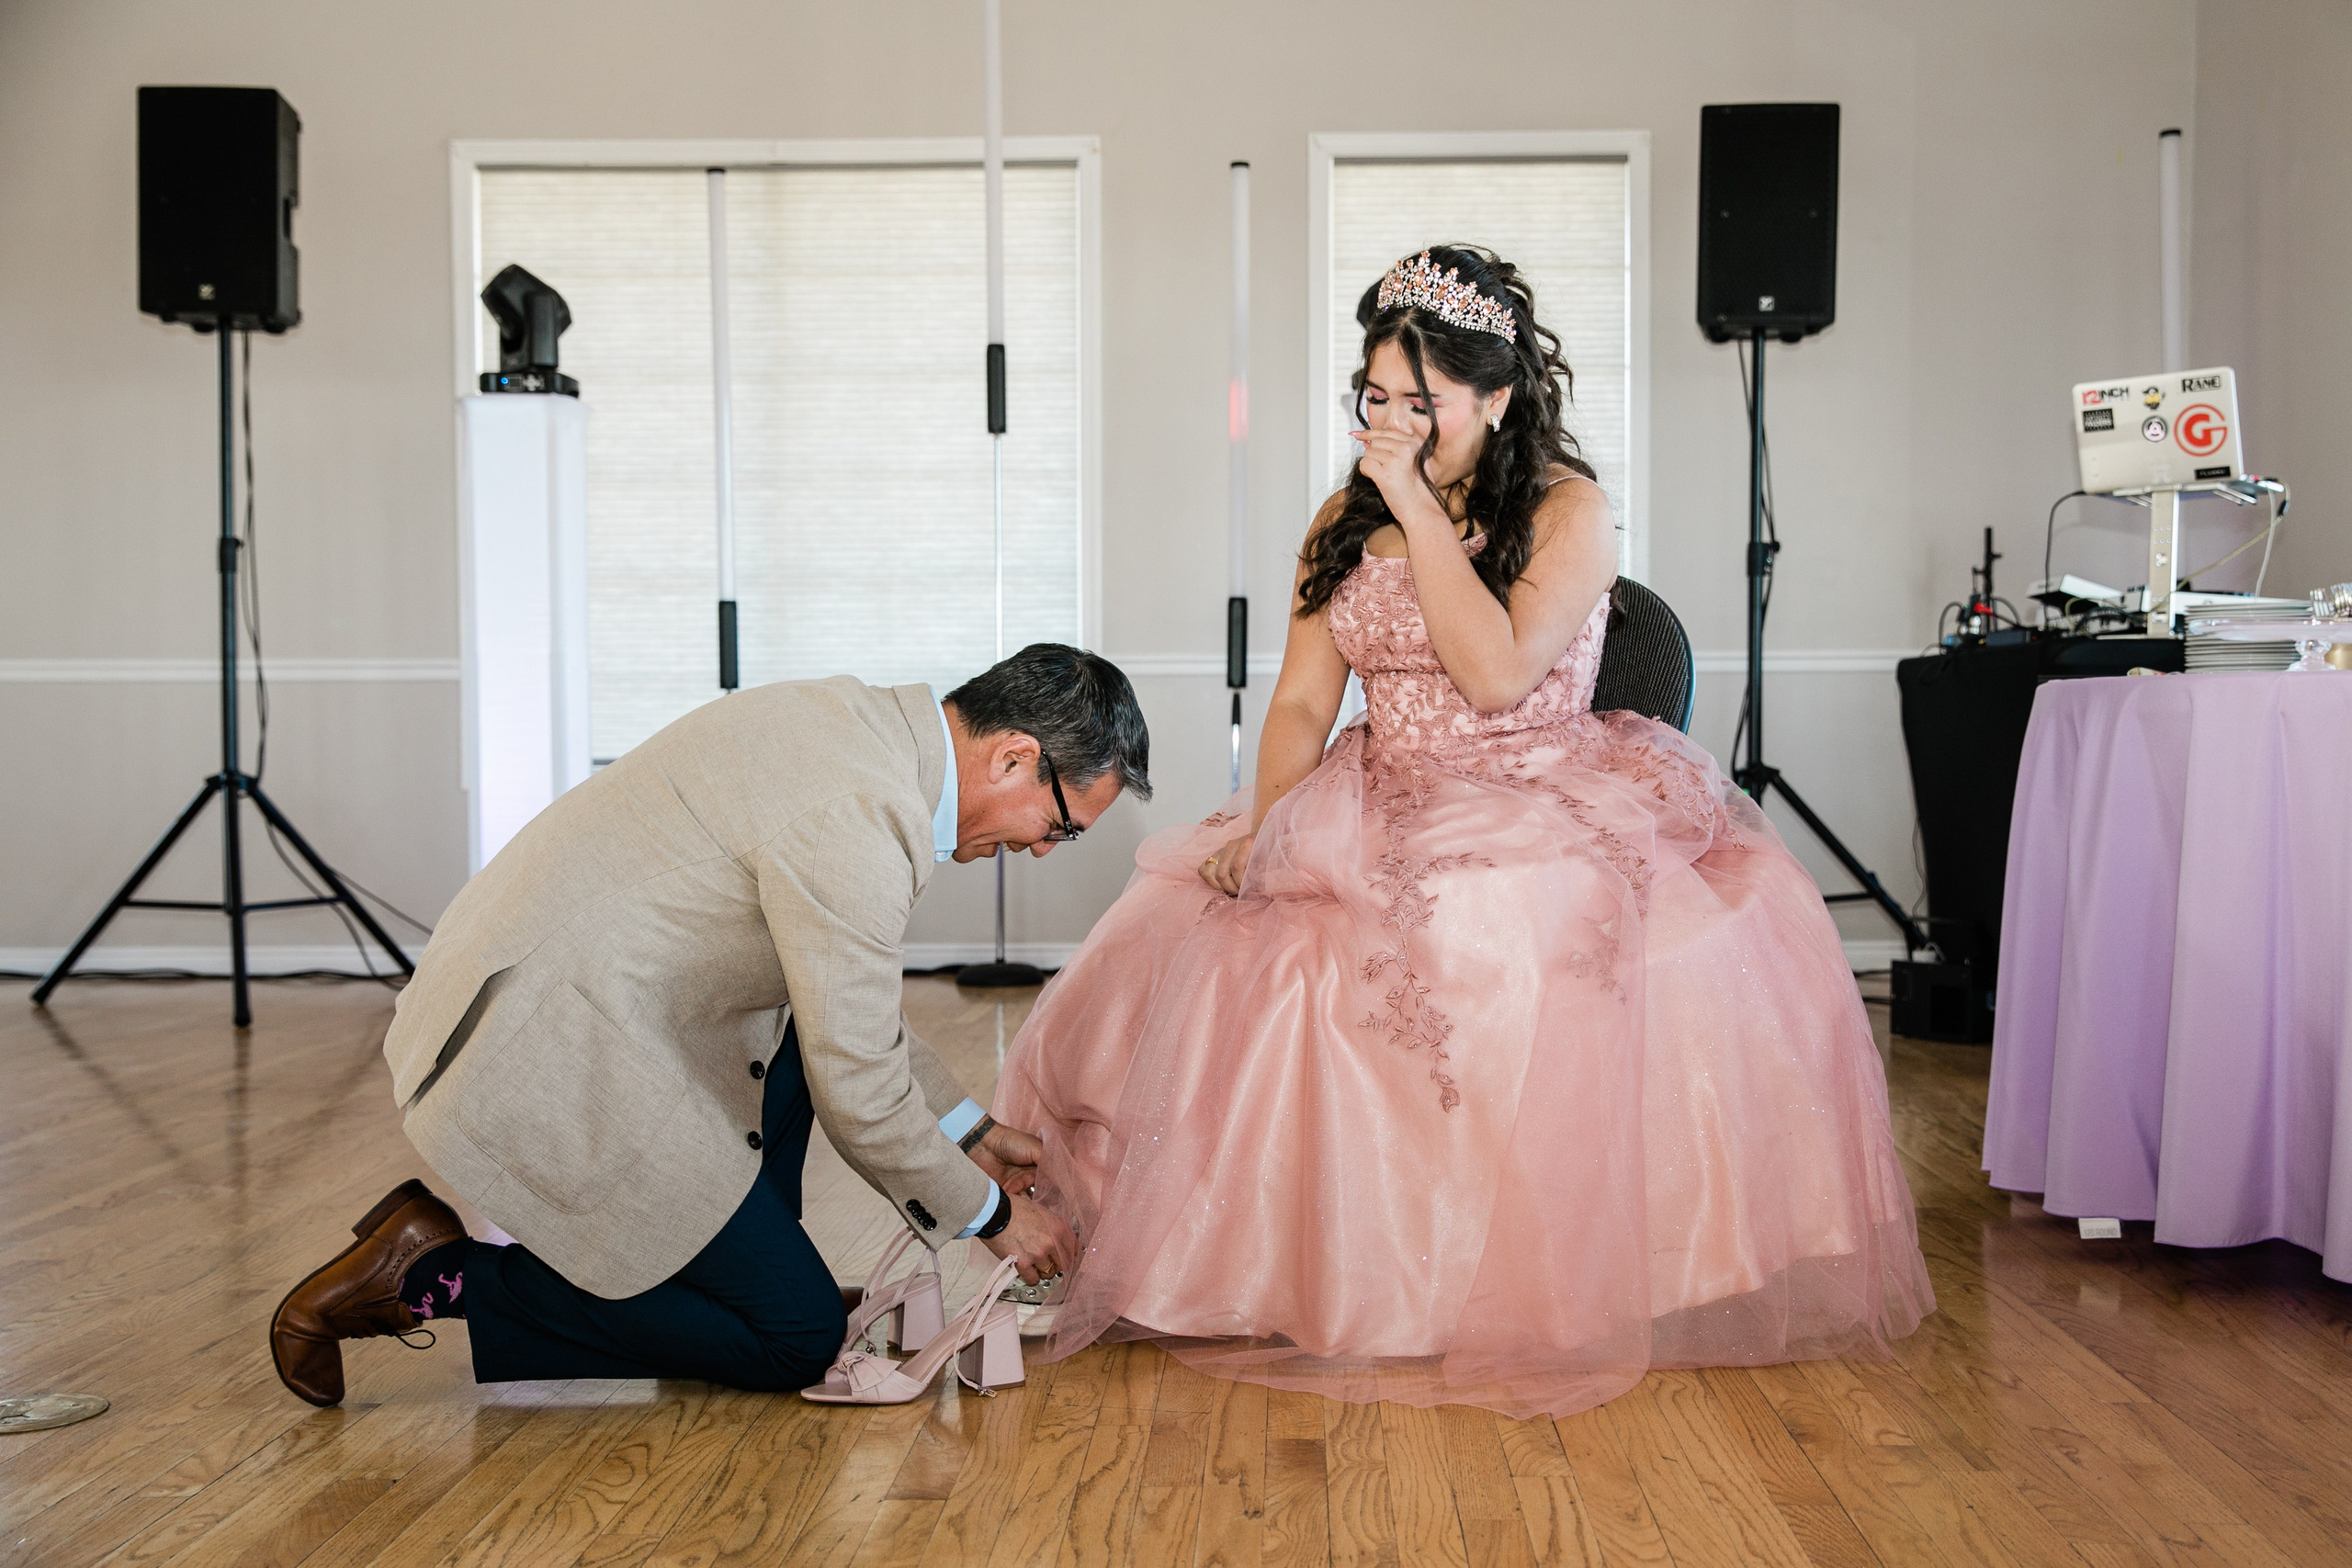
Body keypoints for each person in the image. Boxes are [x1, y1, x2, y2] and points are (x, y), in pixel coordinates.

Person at [993, 247, 1935, 1420]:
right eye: (1374, 400)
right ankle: (1258, 1260)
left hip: (1534, 785)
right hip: (1374, 781)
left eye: (1420, 402)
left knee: (1476, 932)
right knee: (1218, 930)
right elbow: (1299, 701)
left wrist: (1415, 512)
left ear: (1494, 398)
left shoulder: (1570, 511)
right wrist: (1271, 825)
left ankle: (1496, 1284)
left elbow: (1492, 675)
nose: (1390, 426)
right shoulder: (1343, 517)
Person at [269, 645, 1149, 1407]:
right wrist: (990, 1214)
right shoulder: (861, 813)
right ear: (1013, 757)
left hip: (594, 1001)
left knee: (777, 1248)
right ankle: (431, 1275)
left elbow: (847, 1010)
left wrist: (973, 1130)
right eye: (1061, 827)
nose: (1042, 848)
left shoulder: (860, 726)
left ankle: (740, 1288)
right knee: (794, 1339)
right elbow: (859, 1087)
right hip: (548, 1041)